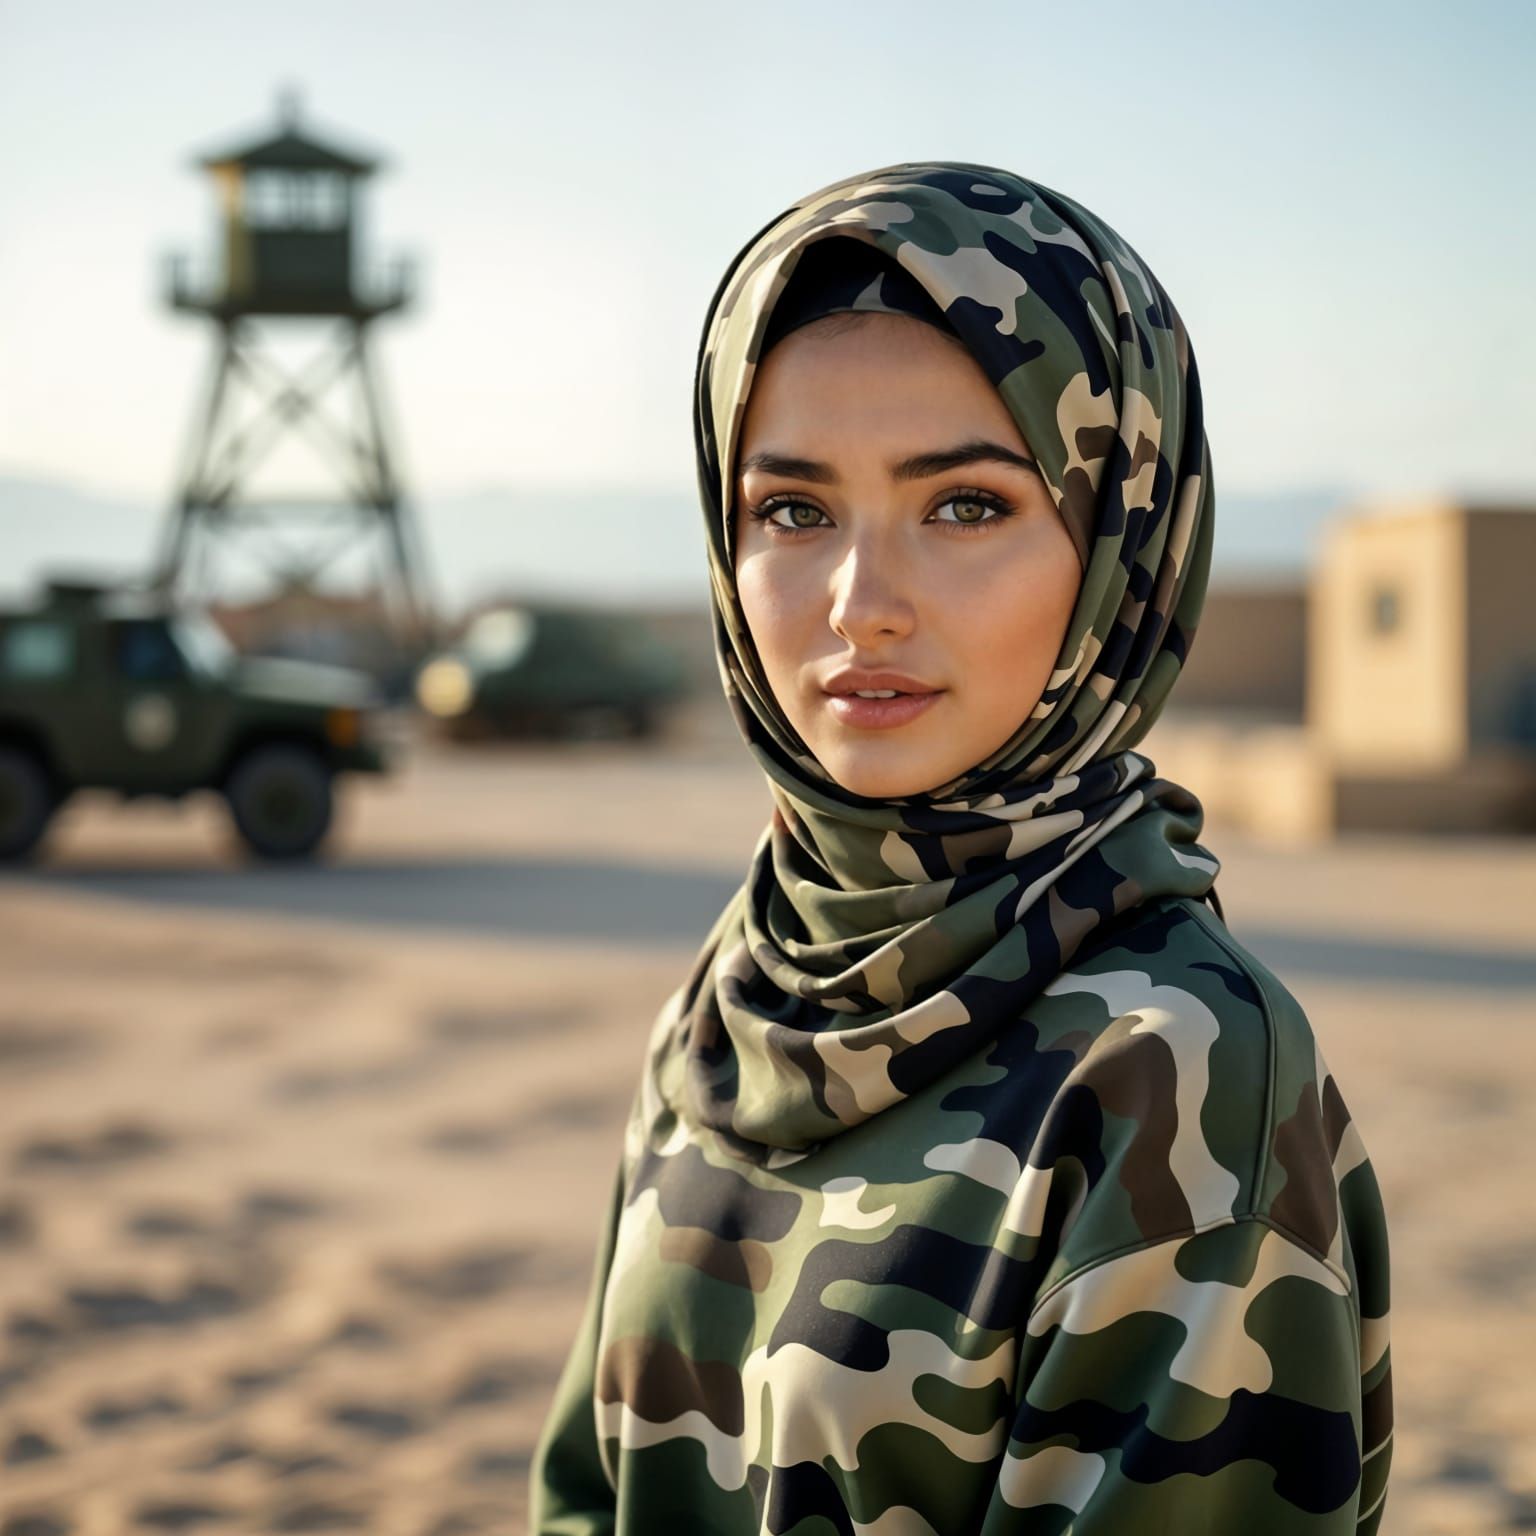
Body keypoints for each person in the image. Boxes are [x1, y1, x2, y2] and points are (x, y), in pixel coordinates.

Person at [530, 161, 1392, 1534]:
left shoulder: (1179, 1069)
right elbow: (586, 1492)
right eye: (794, 511)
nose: (862, 605)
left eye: (967, 506)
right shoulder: (749, 977)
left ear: (1122, 544)